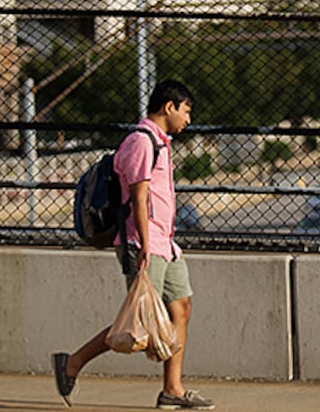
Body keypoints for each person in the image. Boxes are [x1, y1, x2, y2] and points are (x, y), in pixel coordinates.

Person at [52, 80, 215, 409]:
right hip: (144, 243)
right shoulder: (141, 142)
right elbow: (138, 198)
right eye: (186, 111)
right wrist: (141, 244)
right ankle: (72, 363)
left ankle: (173, 389)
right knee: (138, 322)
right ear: (169, 107)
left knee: (180, 308)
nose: (188, 119)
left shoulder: (159, 143)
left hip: (165, 245)